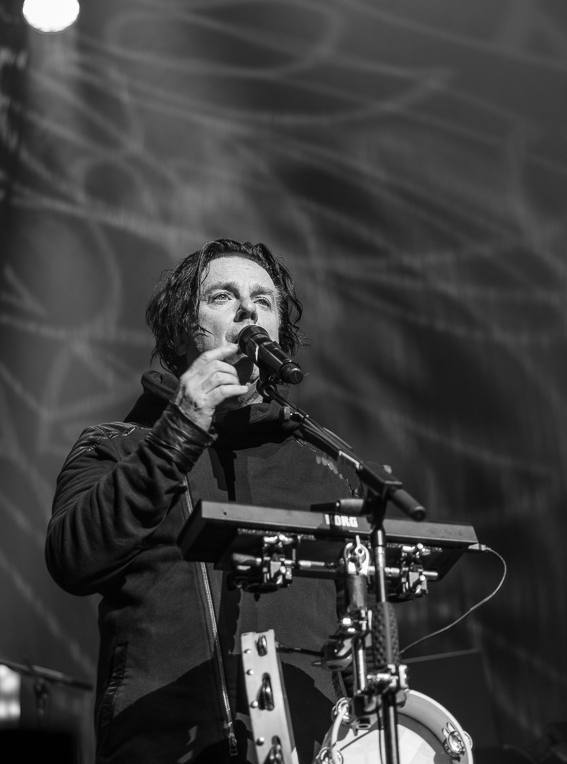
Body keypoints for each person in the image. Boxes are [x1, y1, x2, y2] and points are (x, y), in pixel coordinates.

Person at [46, 239, 353, 763]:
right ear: (181, 330)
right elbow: (72, 558)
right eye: (222, 296)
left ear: (279, 333)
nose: (247, 310)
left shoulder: (325, 467)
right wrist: (181, 429)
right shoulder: (118, 446)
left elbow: (361, 627)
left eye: (263, 300)